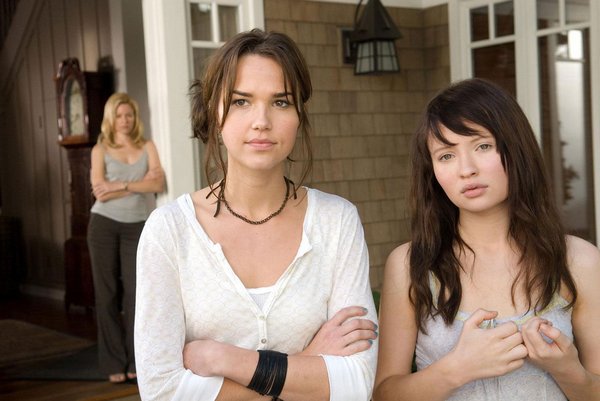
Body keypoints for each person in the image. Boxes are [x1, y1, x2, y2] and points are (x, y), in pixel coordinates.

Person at [134, 29, 378, 401]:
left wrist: (224, 358)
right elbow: (162, 391)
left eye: (280, 102)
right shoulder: (169, 230)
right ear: (215, 113)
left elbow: (356, 384)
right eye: (241, 101)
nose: (261, 120)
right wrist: (307, 362)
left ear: (299, 115)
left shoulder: (336, 221)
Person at [374, 78, 600, 401]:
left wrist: (567, 369)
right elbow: (384, 394)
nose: (466, 169)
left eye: (482, 146)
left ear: (515, 149)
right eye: (446, 156)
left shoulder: (578, 261)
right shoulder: (411, 265)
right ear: (432, 171)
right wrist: (457, 368)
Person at [88, 92, 165, 383]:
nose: (124, 120)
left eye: (129, 115)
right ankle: (113, 362)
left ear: (135, 118)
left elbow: (158, 183)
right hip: (103, 225)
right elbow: (100, 191)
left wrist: (119, 185)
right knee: (107, 294)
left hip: (138, 226)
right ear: (111, 118)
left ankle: (136, 360)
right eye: (119, 115)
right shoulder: (100, 149)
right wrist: (139, 183)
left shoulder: (147, 146)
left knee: (138, 295)